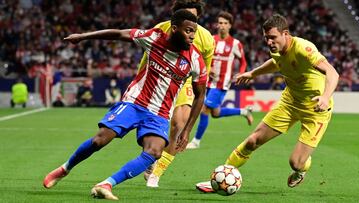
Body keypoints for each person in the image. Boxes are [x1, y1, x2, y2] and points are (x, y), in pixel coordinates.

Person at [43, 10, 207, 200]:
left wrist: (186, 131)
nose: (192, 36)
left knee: (154, 151)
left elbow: (200, 95)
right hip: (134, 103)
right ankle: (65, 168)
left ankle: (107, 184)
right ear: (174, 28)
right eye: (188, 31)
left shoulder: (195, 59)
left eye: (194, 32)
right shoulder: (153, 38)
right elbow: (118, 33)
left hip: (160, 113)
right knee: (99, 140)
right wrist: (82, 37)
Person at [196, 13, 339, 193]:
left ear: (285, 34)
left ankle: (301, 170)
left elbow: (332, 73)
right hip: (290, 103)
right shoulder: (277, 50)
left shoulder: (304, 48)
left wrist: (325, 97)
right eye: (266, 38)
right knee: (252, 141)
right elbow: (276, 63)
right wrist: (253, 74)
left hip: (315, 109)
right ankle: (220, 177)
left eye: (273, 37)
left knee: (296, 163)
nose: (269, 42)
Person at [143, 0, 215, 188]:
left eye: (193, 16)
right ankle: (150, 156)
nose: (189, 20)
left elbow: (203, 73)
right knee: (151, 125)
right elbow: (147, 57)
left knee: (179, 124)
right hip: (159, 78)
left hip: (185, 82)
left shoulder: (206, 39)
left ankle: (156, 174)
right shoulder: (161, 29)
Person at [186, 11, 253, 150]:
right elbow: (202, 57)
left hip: (222, 83)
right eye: (220, 23)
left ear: (230, 26)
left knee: (204, 109)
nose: (222, 26)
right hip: (207, 81)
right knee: (215, 113)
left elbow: (243, 61)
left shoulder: (235, 43)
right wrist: (207, 69)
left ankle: (196, 141)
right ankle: (244, 112)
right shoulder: (211, 39)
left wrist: (241, 73)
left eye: (225, 23)